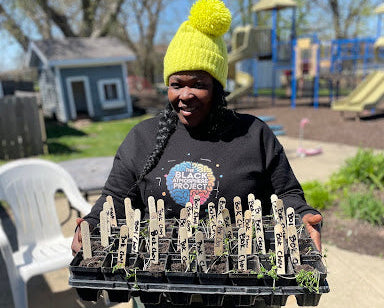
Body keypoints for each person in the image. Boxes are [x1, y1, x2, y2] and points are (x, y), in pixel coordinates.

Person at [71, 0, 322, 258]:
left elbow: (287, 194)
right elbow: (114, 199)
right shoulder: (142, 138)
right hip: (160, 279)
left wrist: (302, 217)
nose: (186, 95)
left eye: (199, 84)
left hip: (242, 272)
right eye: (176, 84)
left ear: (217, 87)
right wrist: (92, 223)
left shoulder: (254, 134)